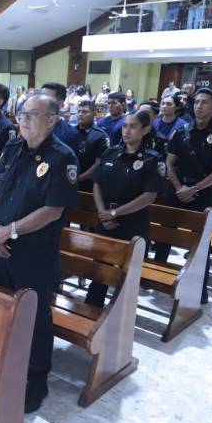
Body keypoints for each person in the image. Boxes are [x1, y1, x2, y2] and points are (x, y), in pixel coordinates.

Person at [0, 94, 78, 414]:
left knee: (36, 320)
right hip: (3, 248)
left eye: (33, 115)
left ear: (52, 120)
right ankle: (7, 368)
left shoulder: (62, 158)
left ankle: (36, 381)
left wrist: (8, 231)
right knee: (5, 312)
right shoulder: (12, 147)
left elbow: (53, 210)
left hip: (35, 255)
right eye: (22, 113)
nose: (24, 119)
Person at [154, 88, 212, 304]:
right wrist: (179, 186)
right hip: (177, 189)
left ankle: (200, 289)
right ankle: (156, 277)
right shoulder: (182, 131)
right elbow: (169, 162)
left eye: (205, 102)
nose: (199, 106)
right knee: (163, 235)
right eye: (197, 102)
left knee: (200, 243)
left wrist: (194, 189)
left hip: (203, 193)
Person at [85, 109, 165, 307]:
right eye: (125, 126)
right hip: (105, 222)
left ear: (145, 130)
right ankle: (92, 310)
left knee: (127, 275)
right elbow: (97, 184)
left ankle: (121, 316)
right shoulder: (111, 152)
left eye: (133, 126)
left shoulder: (152, 160)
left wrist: (114, 213)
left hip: (133, 225)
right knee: (100, 270)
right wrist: (103, 213)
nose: (127, 131)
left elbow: (148, 196)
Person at [74, 100, 109, 191]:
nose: (81, 114)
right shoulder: (71, 131)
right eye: (79, 111)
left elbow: (98, 164)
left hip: (87, 183)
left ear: (94, 113)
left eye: (85, 112)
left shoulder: (100, 136)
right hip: (67, 180)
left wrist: (79, 178)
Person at [41, 82, 80, 155]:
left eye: (46, 99)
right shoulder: (30, 126)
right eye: (39, 97)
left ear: (61, 104)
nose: (40, 102)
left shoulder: (70, 133)